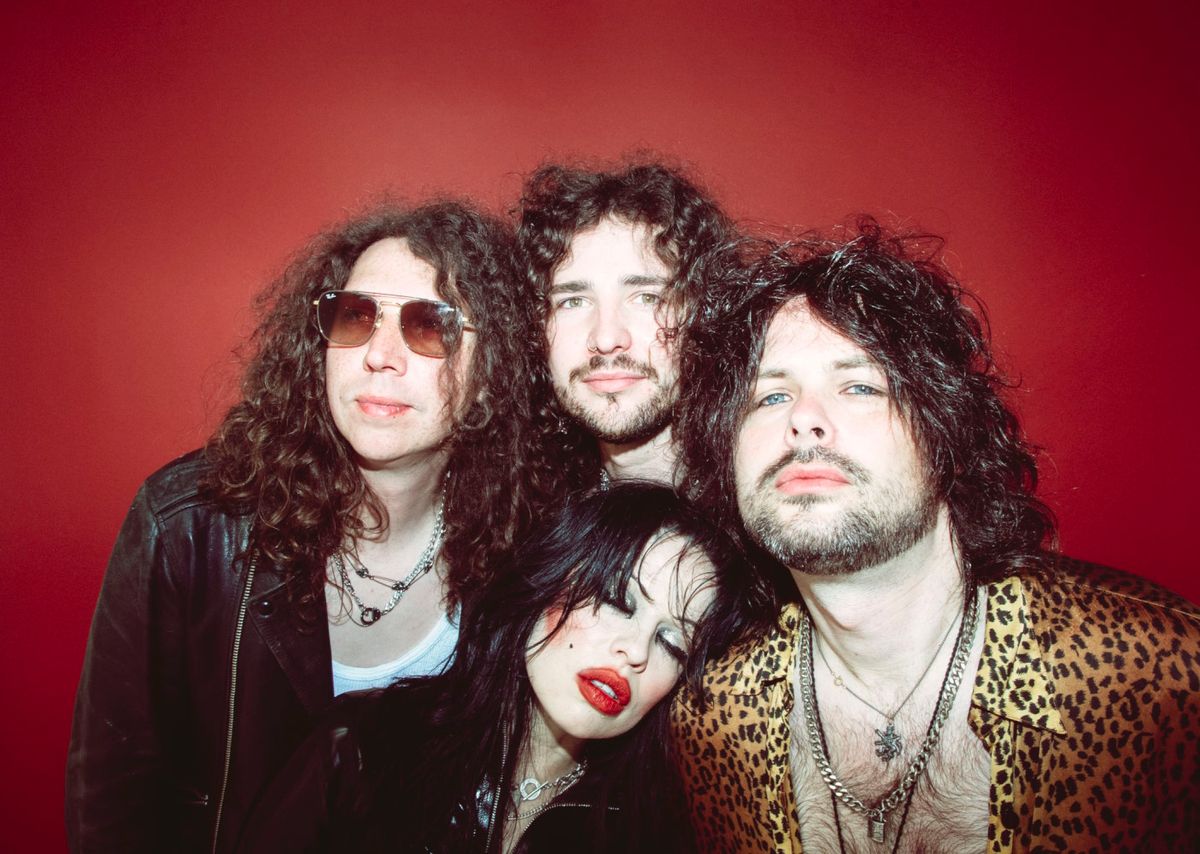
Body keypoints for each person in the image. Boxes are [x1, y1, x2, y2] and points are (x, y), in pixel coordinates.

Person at [670, 221, 1200, 852]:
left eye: (860, 386)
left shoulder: (1162, 680)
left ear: (945, 433)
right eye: (769, 396)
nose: (803, 419)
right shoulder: (713, 716)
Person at [66, 202, 545, 853]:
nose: (379, 355)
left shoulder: (524, 550)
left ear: (492, 375)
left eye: (429, 326)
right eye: (356, 316)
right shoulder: (188, 527)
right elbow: (110, 805)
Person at [234, 481, 755, 853]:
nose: (635, 651)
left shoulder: (651, 836)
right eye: (617, 600)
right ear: (548, 579)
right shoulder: (361, 751)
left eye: (672, 643)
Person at [516, 162, 740, 487]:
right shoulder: (526, 507)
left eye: (647, 298)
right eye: (573, 302)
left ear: (704, 312)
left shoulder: (767, 501)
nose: (606, 338)